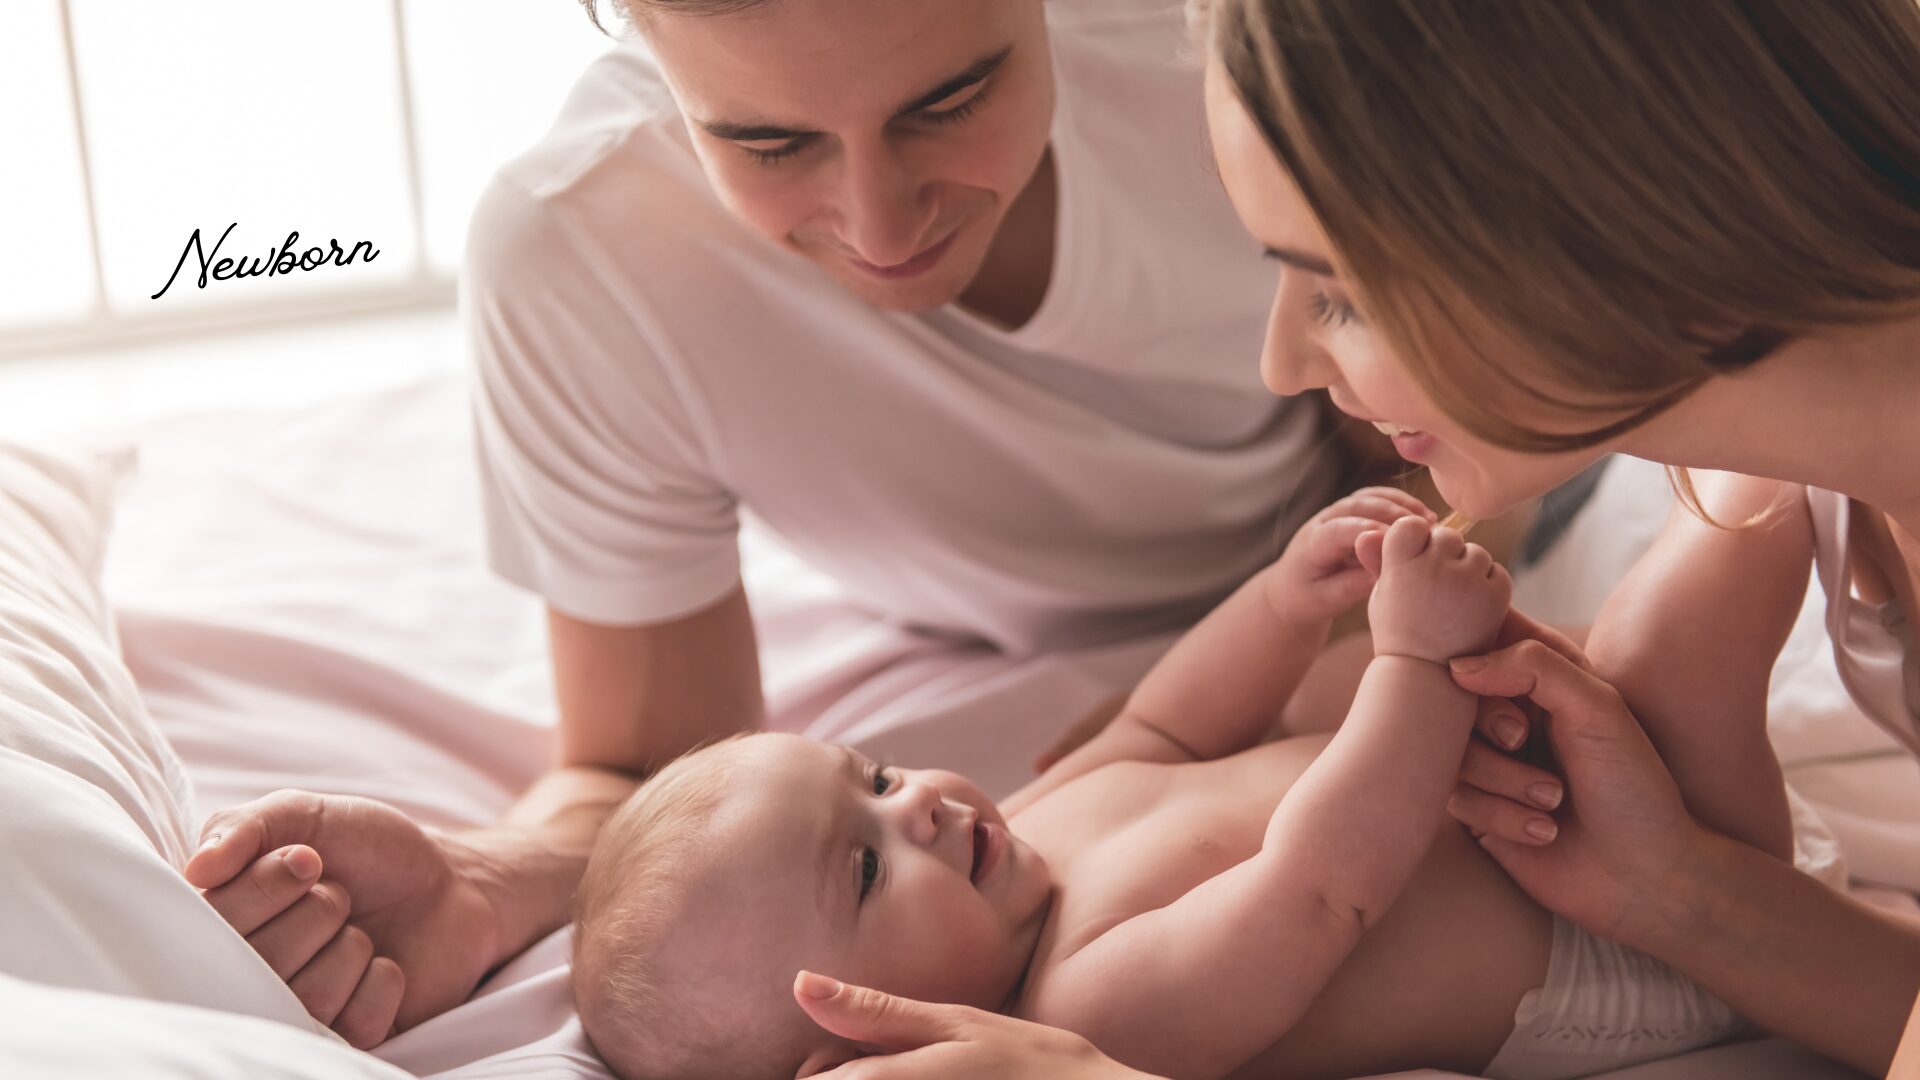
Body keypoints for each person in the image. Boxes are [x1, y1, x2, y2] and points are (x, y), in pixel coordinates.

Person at [180, 0, 1378, 1049]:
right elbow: (651, 769)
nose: (880, 225)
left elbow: (1471, 442)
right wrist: (490, 879)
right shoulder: (587, 255)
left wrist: (1338, 649)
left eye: (951, 101)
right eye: (765, 140)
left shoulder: (1236, 59)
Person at [1186, 0, 1920, 1074]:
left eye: (1339, 293)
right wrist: (1674, 891)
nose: (1282, 364)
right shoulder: (1812, 441)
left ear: (1610, 220)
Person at [570, 502, 1770, 1080]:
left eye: (873, 780)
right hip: (1640, 953)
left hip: (1541, 821)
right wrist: (1411, 666)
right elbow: (1322, 889)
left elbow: (1163, 724)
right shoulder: (1086, 1012)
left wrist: (1282, 609)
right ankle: (1782, 488)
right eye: (868, 867)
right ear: (871, 1049)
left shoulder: (1019, 839)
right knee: (1678, 625)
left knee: (1338, 689)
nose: (918, 808)